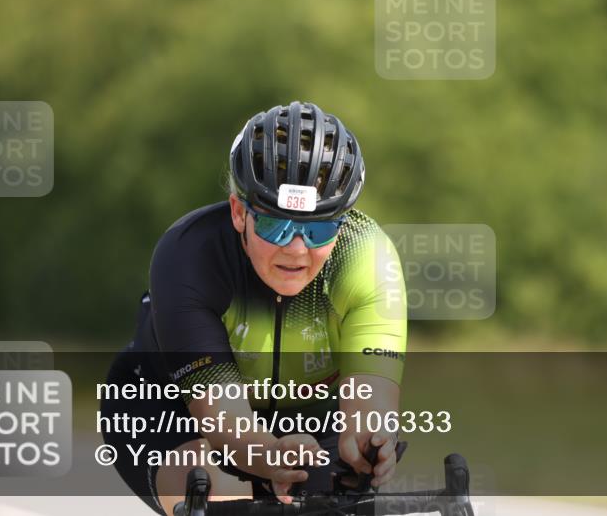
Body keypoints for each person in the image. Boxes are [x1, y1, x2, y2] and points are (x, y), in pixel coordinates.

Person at [100, 101, 407, 515]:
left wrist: (369, 443)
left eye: (318, 228)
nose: (296, 250)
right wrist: (267, 455)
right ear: (239, 212)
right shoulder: (190, 254)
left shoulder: (366, 256)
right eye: (275, 225)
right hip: (170, 407)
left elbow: (370, 402)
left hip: (309, 420)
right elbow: (223, 420)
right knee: (212, 498)